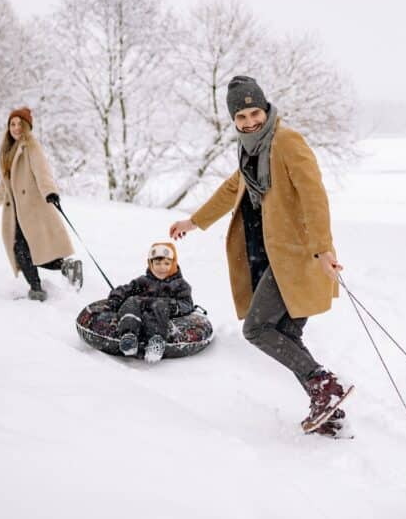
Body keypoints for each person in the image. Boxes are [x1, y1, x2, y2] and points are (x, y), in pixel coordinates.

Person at [169, 75, 351, 436]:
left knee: (256, 329)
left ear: (266, 109)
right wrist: (193, 221)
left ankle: (323, 383)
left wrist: (322, 249)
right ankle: (327, 409)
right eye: (241, 117)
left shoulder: (285, 141)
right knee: (283, 332)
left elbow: (314, 196)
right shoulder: (250, 150)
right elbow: (231, 189)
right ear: (233, 121)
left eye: (255, 112)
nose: (250, 121)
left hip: (297, 257)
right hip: (269, 257)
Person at [0, 107, 82, 301]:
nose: (16, 128)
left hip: (32, 209)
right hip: (17, 214)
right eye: (12, 124)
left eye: (20, 124)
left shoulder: (31, 146)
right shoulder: (9, 151)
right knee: (27, 252)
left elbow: (42, 171)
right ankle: (63, 268)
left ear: (27, 127)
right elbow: (5, 185)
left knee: (23, 251)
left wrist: (50, 191)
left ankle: (37, 288)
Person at [104, 241, 195, 362]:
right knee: (132, 301)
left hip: (162, 314)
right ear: (150, 264)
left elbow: (187, 303)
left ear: (173, 264)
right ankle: (129, 337)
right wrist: (116, 298)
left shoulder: (180, 285)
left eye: (166, 263)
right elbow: (125, 289)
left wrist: (175, 306)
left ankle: (156, 342)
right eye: (157, 263)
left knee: (160, 304)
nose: (162, 268)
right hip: (140, 312)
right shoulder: (143, 281)